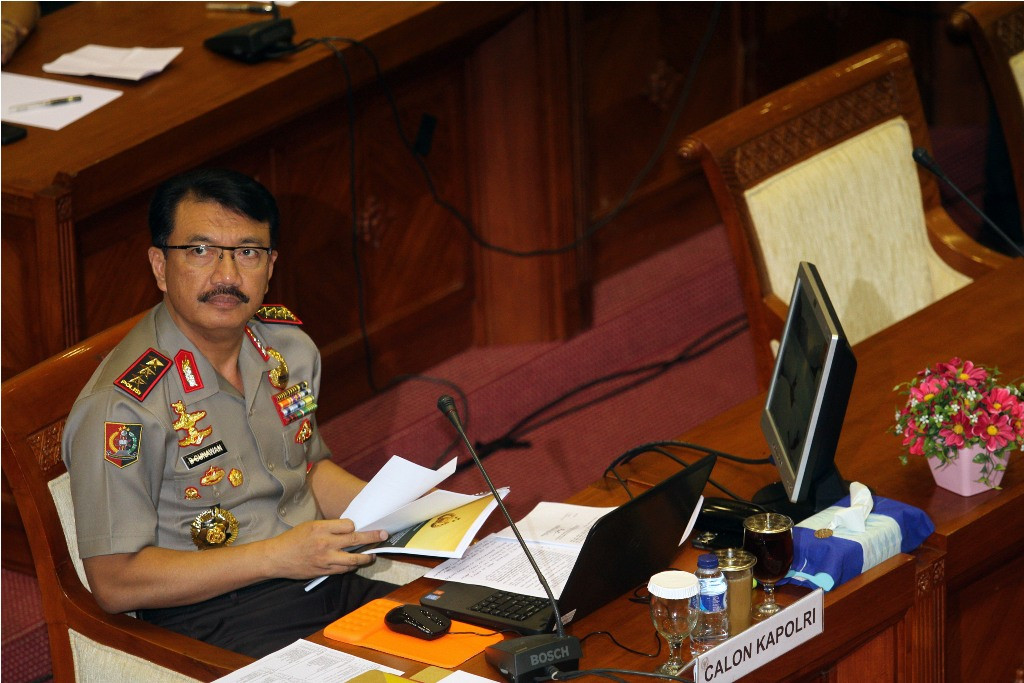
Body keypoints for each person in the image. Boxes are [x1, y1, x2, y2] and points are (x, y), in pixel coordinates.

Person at [62, 168, 397, 658]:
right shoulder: (124, 407)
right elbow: (115, 582)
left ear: (270, 265)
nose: (226, 276)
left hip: (324, 578)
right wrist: (275, 558)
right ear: (159, 265)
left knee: (472, 647)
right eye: (200, 251)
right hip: (217, 618)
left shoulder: (289, 351)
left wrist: (399, 512)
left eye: (247, 252)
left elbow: (309, 469)